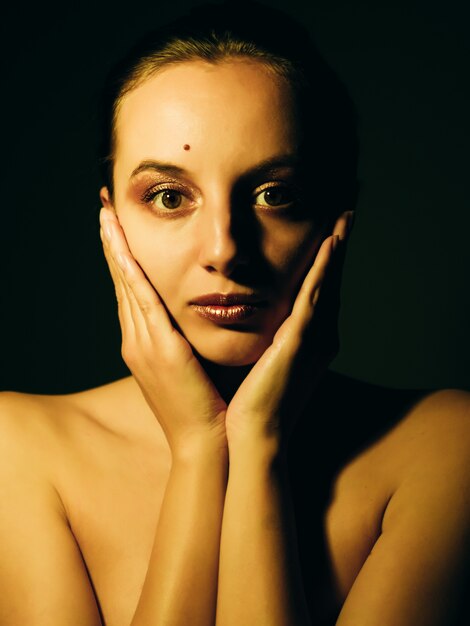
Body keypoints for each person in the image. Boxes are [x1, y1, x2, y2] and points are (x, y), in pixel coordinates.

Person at [1, 1, 469, 625]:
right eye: (169, 197)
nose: (225, 248)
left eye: (276, 195)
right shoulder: (18, 447)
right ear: (110, 222)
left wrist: (258, 450)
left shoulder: (445, 446)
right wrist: (199, 449)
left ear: (338, 216)